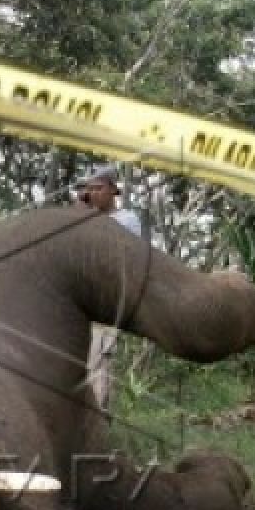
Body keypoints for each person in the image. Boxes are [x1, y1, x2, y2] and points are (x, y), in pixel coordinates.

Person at [78, 164, 144, 412]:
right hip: (82, 300)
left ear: (113, 190)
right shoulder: (84, 218)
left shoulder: (127, 220)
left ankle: (98, 418)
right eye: (89, 189)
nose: (93, 193)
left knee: (99, 362)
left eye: (98, 188)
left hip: (107, 302)